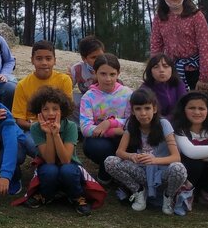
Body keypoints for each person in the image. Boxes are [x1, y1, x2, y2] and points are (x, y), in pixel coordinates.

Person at [103, 88, 187, 215]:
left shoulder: (164, 124)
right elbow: (119, 152)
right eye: (138, 109)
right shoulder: (131, 125)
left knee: (179, 168)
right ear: (132, 111)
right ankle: (139, 191)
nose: (143, 113)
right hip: (142, 171)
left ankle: (168, 196)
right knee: (110, 162)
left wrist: (154, 160)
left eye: (147, 108)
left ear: (154, 109)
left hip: (162, 172)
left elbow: (176, 157)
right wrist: (131, 156)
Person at [22, 86, 93, 216]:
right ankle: (45, 195)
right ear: (39, 111)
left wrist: (56, 134)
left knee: (67, 170)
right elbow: (49, 160)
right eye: (45, 109)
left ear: (62, 110)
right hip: (48, 166)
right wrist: (49, 134)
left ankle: (77, 197)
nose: (50, 113)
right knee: (50, 170)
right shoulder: (36, 128)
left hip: (69, 165)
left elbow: (66, 160)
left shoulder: (70, 126)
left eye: (55, 109)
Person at [150, 0, 208, 92]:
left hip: (195, 69)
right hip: (172, 68)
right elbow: (156, 46)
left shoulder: (196, 16)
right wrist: (155, 71)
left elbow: (205, 46)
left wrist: (204, 77)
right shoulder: (159, 18)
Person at [79, 54, 133, 183]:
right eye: (103, 74)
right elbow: (85, 127)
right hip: (100, 139)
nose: (108, 79)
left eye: (112, 74)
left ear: (118, 73)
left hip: (123, 136)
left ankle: (126, 173)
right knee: (100, 148)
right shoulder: (88, 97)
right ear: (95, 73)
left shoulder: (127, 93)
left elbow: (132, 121)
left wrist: (110, 123)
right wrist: (112, 131)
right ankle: (106, 173)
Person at [10, 41, 73, 134]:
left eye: (48, 59)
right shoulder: (22, 85)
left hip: (59, 127)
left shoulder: (64, 80)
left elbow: (67, 111)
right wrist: (38, 127)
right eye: (39, 59)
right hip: (33, 129)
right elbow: (19, 119)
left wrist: (53, 126)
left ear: (54, 60)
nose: (44, 63)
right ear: (32, 60)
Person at [138, 53, 185, 119]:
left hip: (178, 121)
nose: (161, 70)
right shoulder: (145, 89)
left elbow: (183, 106)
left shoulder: (178, 84)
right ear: (150, 71)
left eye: (165, 66)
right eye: (156, 67)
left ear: (172, 69)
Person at [68, 36, 104, 120]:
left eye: (101, 56)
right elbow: (67, 90)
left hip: (104, 101)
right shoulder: (77, 69)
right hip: (86, 100)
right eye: (93, 57)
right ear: (84, 58)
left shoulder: (107, 67)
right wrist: (67, 81)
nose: (98, 60)